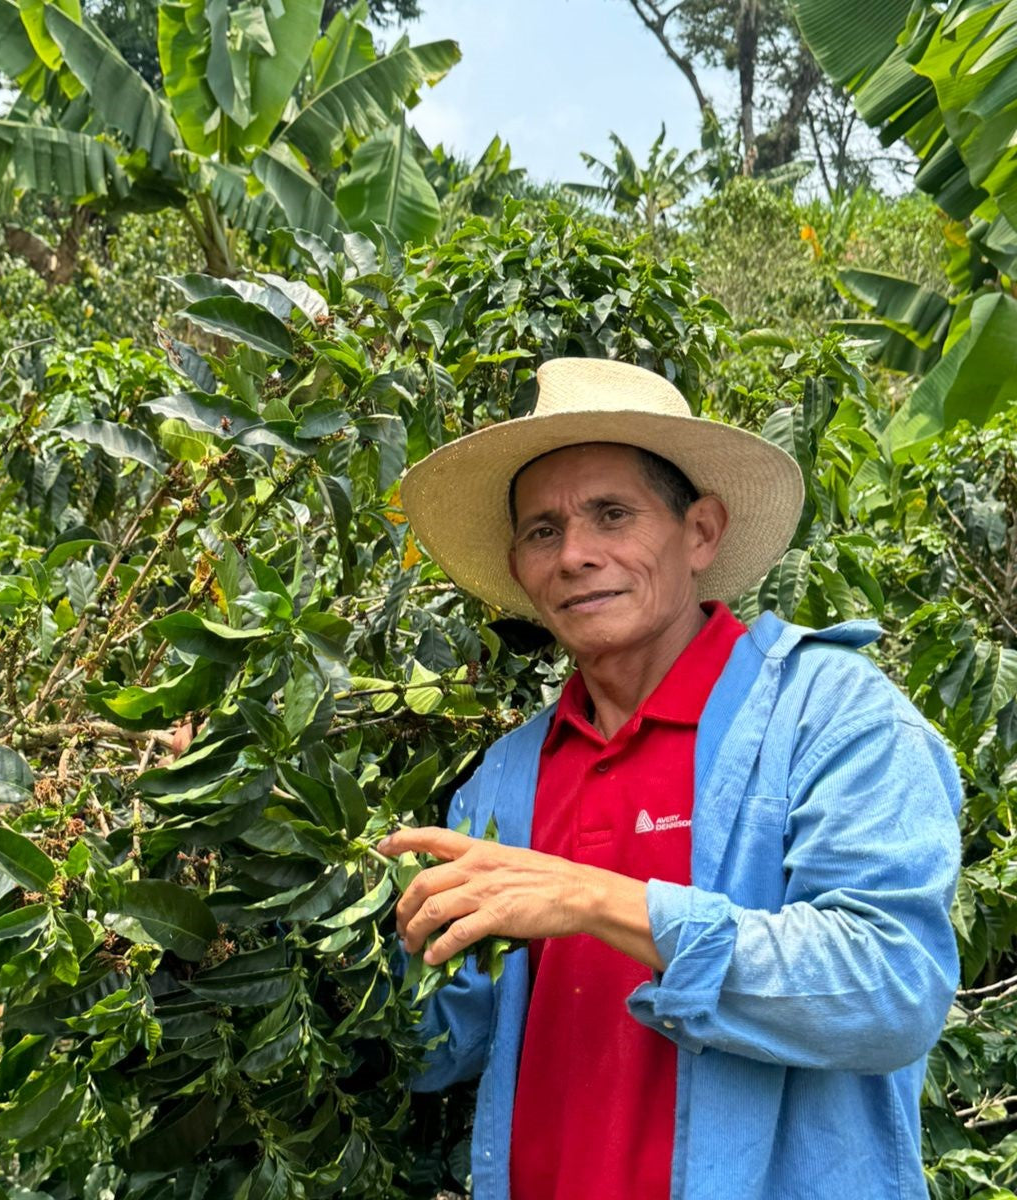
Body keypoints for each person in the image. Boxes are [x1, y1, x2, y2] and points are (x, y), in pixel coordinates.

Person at [378, 358, 961, 1200]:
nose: (576, 555)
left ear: (701, 532)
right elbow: (441, 1047)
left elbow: (890, 988)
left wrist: (595, 900)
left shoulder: (831, 716)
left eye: (612, 514)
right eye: (542, 531)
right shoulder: (505, 779)